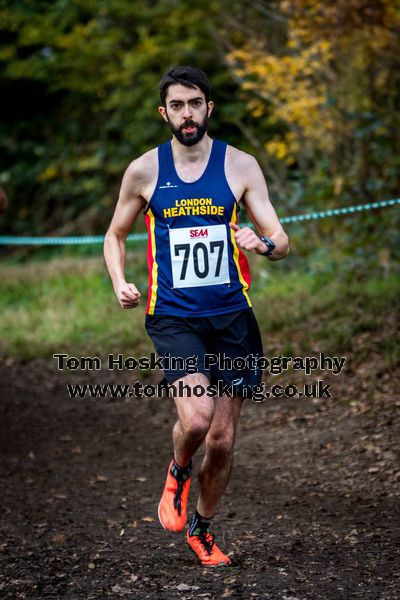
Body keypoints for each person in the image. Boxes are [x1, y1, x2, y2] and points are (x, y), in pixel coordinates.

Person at [104, 66, 289, 567]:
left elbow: (281, 237)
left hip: (232, 316)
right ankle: (179, 467)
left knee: (224, 440)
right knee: (199, 418)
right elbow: (114, 234)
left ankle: (202, 529)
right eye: (178, 105)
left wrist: (265, 242)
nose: (188, 113)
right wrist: (119, 279)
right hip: (174, 317)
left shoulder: (241, 166)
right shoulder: (143, 170)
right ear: (165, 113)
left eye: (196, 103)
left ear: (210, 107)